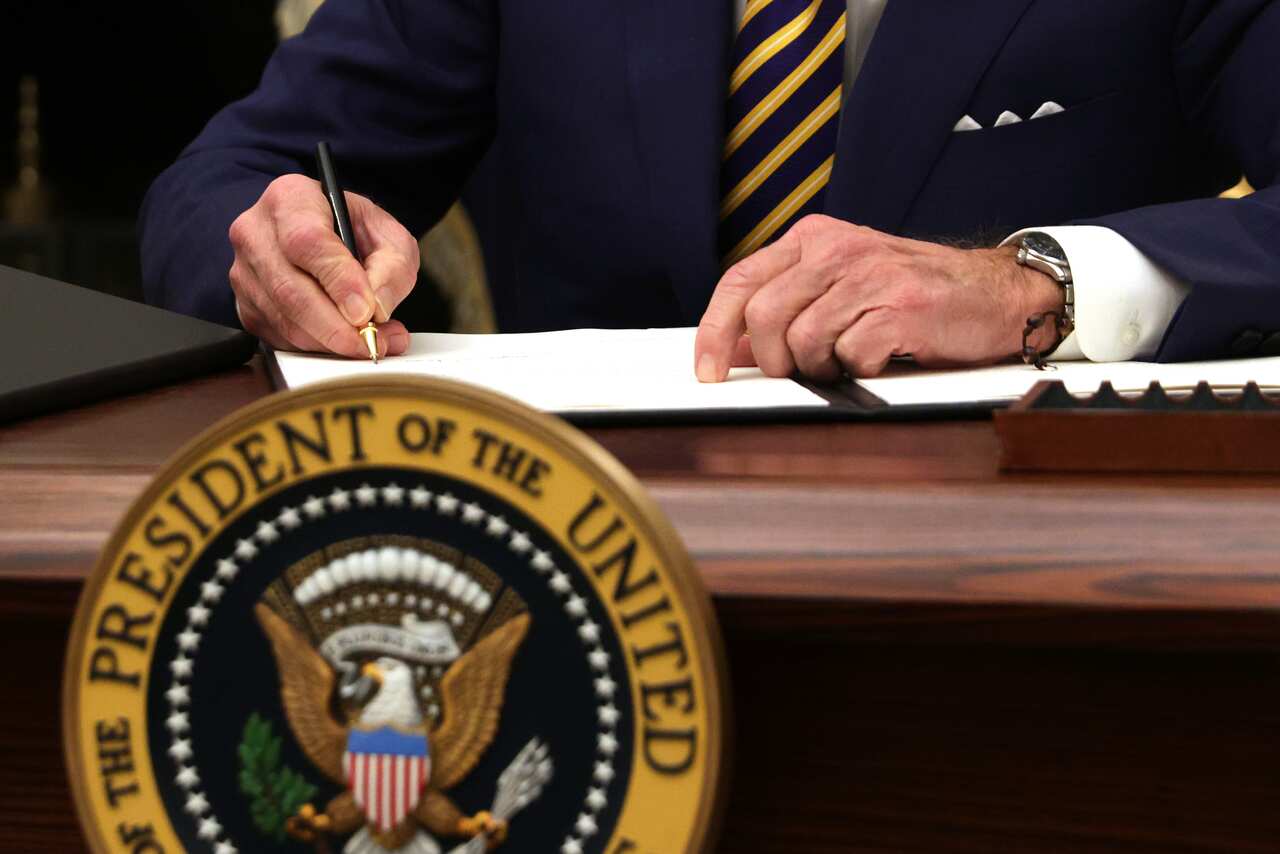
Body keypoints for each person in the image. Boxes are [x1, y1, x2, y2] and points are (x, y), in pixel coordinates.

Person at [140, 0, 1280, 381]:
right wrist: (276, 247)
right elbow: (224, 183)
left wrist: (1036, 283)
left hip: (1024, 576)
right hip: (576, 548)